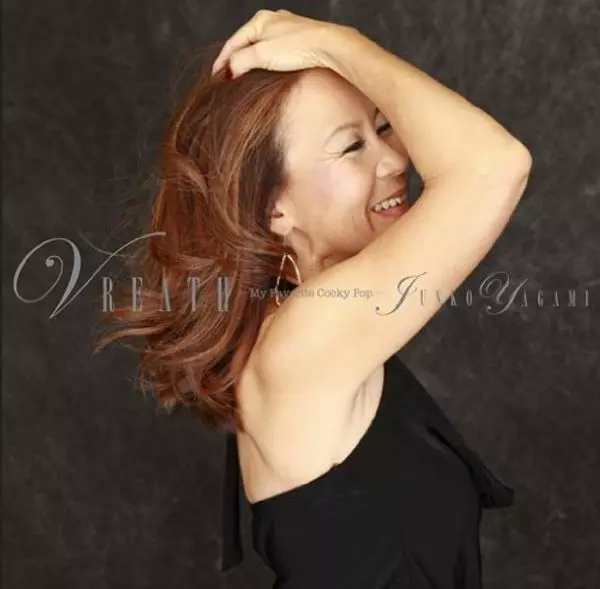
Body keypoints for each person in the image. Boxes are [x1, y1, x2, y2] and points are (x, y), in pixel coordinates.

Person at [96, 9, 531, 588]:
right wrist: (337, 41)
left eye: (383, 127)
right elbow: (494, 165)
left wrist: (335, 53)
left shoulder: (297, 320)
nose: (396, 160)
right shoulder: (306, 339)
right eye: (351, 147)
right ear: (273, 209)